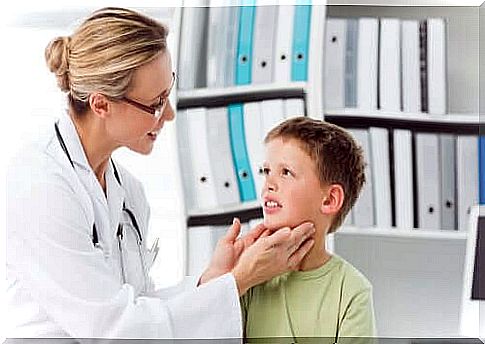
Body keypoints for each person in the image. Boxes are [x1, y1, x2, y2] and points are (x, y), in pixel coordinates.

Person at [5, 7, 316, 339]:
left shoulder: (128, 190)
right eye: (155, 103)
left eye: (169, 94)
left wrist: (213, 279)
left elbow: (137, 306)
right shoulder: (41, 189)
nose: (168, 115)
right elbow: (114, 330)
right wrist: (240, 281)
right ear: (101, 105)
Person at [241, 117, 377, 342]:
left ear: (330, 200)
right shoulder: (250, 277)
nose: (268, 184)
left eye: (286, 172)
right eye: (266, 171)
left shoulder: (352, 291)